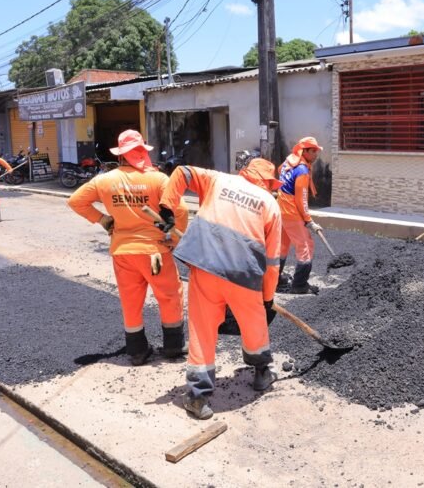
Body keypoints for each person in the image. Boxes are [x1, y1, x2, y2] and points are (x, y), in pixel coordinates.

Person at [159, 158, 282, 420]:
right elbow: (272, 263)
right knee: (254, 323)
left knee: (202, 328)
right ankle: (262, 373)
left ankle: (197, 396)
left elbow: (183, 172)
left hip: (205, 267)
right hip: (244, 275)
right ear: (268, 183)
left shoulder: (218, 179)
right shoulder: (270, 203)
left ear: (245, 173)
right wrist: (268, 297)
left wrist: (167, 206)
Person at [67, 130, 189, 367]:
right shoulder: (159, 180)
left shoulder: (104, 180)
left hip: (123, 252)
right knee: (169, 296)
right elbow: (181, 210)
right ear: (142, 151)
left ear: (120, 155)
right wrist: (174, 238)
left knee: (131, 300)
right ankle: (173, 346)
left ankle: (137, 351)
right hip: (154, 254)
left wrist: (103, 219)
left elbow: (75, 201)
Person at [277, 136, 323, 294]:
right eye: (313, 151)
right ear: (304, 151)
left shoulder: (288, 162)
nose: (316, 154)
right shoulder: (302, 171)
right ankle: (299, 285)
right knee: (305, 246)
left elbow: (279, 171)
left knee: (281, 246)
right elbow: (301, 199)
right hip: (292, 213)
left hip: (281, 210)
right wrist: (309, 221)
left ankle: (274, 280)